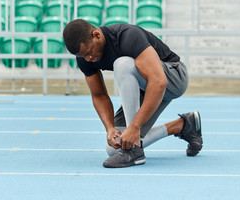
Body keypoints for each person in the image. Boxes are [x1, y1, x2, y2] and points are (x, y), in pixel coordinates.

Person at [62, 19, 203, 168]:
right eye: (83, 56)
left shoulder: (127, 36)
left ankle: (135, 150)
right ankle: (184, 125)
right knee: (114, 148)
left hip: (174, 76)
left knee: (122, 64)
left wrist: (134, 128)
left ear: (96, 35)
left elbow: (159, 82)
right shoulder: (85, 58)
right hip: (146, 88)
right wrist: (110, 128)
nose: (88, 59)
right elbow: (99, 96)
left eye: (89, 52)